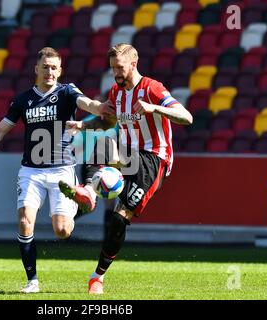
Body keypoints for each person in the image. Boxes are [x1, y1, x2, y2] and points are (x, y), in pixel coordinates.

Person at [0, 47, 113, 294]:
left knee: (63, 231)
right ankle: (32, 281)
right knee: (25, 221)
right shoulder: (23, 100)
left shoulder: (67, 91)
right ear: (36, 69)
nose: (50, 72)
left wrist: (99, 108)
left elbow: (85, 102)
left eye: (54, 68)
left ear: (60, 70)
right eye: (45, 67)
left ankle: (82, 200)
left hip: (61, 170)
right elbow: (0, 130)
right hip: (31, 171)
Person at [59, 43, 193, 294]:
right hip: (126, 154)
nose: (115, 74)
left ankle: (96, 277)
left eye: (119, 68)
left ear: (133, 64)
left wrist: (155, 108)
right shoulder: (116, 93)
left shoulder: (152, 88)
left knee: (119, 221)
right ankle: (88, 191)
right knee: (101, 145)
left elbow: (187, 117)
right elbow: (106, 121)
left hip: (154, 158)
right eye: (112, 69)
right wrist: (82, 125)